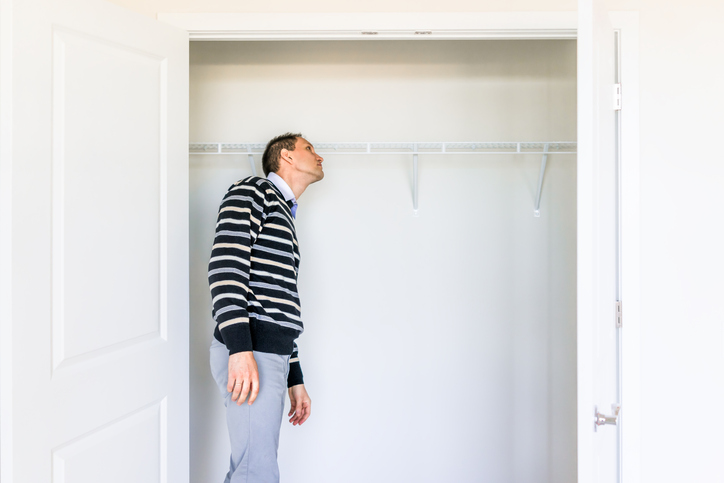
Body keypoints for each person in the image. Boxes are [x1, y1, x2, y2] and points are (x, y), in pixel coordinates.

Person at [208, 132, 324, 483]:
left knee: (253, 470)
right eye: (309, 148)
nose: (319, 156)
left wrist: (295, 376)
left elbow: (278, 303)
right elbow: (225, 264)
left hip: (265, 353)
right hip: (250, 352)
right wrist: (240, 348)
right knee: (255, 473)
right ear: (286, 157)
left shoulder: (284, 214)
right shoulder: (253, 191)